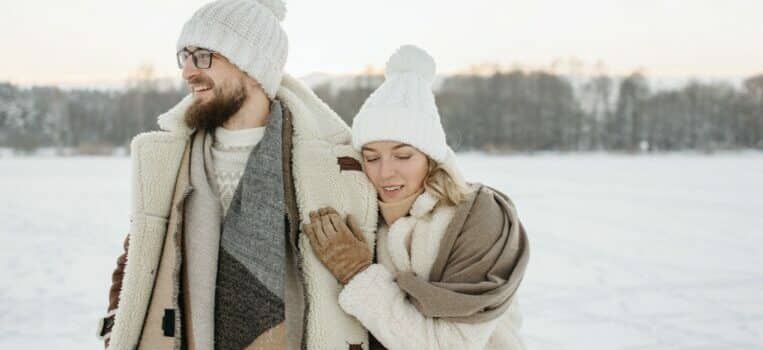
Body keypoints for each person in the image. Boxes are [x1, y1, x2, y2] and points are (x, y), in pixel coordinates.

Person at [97, 1, 381, 349]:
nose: (187, 71)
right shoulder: (170, 158)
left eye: (203, 55)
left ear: (252, 63)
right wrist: (115, 328)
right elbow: (137, 257)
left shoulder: (335, 164)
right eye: (183, 57)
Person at [303, 45, 530, 349]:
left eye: (403, 155)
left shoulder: (479, 217)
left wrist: (357, 273)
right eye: (372, 158)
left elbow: (451, 345)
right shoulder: (366, 214)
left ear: (431, 158)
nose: (386, 173)